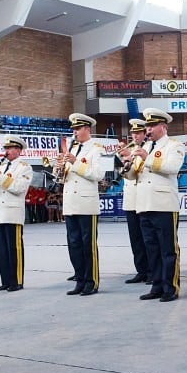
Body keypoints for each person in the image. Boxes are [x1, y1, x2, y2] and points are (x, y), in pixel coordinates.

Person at [129, 108, 185, 302]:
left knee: (168, 248)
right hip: (144, 203)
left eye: (152, 126)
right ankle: (157, 284)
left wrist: (147, 158)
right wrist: (126, 165)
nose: (149, 130)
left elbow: (172, 168)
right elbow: (134, 175)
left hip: (163, 204)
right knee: (151, 248)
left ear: (163, 126)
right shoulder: (147, 147)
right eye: (148, 126)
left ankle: (171, 287)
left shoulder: (174, 145)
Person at [62, 113, 106, 296]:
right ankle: (80, 280)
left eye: (77, 128)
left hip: (87, 204)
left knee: (88, 245)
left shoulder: (97, 149)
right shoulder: (73, 148)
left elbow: (98, 175)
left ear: (87, 129)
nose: (74, 132)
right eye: (73, 129)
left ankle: (91, 281)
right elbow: (66, 177)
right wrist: (60, 168)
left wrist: (75, 162)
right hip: (70, 202)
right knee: (74, 245)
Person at [0, 135, 33, 292]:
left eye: (10, 148)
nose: (6, 151)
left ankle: (16, 281)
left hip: (13, 213)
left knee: (14, 249)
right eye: (5, 148)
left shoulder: (24, 167)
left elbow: (18, 188)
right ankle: (5, 280)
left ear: (18, 150)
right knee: (2, 250)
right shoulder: (3, 166)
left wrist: (0, 175)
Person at [117, 119, 149, 284]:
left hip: (143, 197)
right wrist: (121, 158)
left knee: (147, 238)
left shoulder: (147, 148)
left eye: (138, 133)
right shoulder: (129, 149)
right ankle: (141, 270)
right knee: (135, 238)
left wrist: (131, 156)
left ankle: (152, 270)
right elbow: (123, 171)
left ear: (144, 134)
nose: (135, 136)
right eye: (133, 133)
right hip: (130, 198)